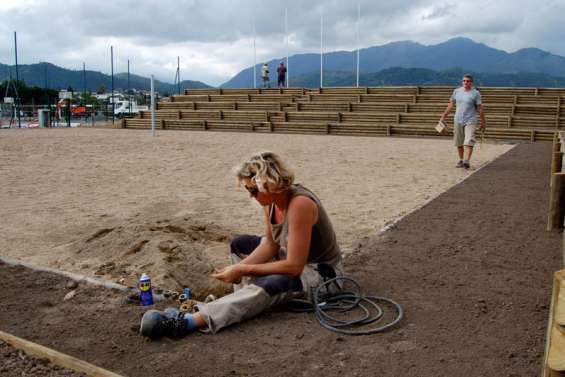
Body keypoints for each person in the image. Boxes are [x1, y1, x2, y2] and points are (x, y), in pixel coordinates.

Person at [140, 151, 343, 338]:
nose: (251, 196)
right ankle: (240, 302)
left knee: (272, 282)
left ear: (269, 184)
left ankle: (189, 322)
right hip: (292, 258)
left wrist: (245, 268)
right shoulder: (271, 201)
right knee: (239, 245)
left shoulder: (300, 204)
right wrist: (238, 268)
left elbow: (294, 266)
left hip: (322, 274)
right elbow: (271, 245)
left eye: (253, 191)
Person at [439, 74, 486, 169]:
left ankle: (466, 161)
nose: (465, 82)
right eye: (464, 81)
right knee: (459, 142)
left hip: (471, 120)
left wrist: (483, 122)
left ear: (471, 82)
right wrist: (443, 117)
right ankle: (461, 160)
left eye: (468, 81)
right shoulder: (456, 91)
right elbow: (451, 105)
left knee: (469, 140)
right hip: (458, 119)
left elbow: (480, 108)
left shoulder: (475, 93)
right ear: (462, 81)